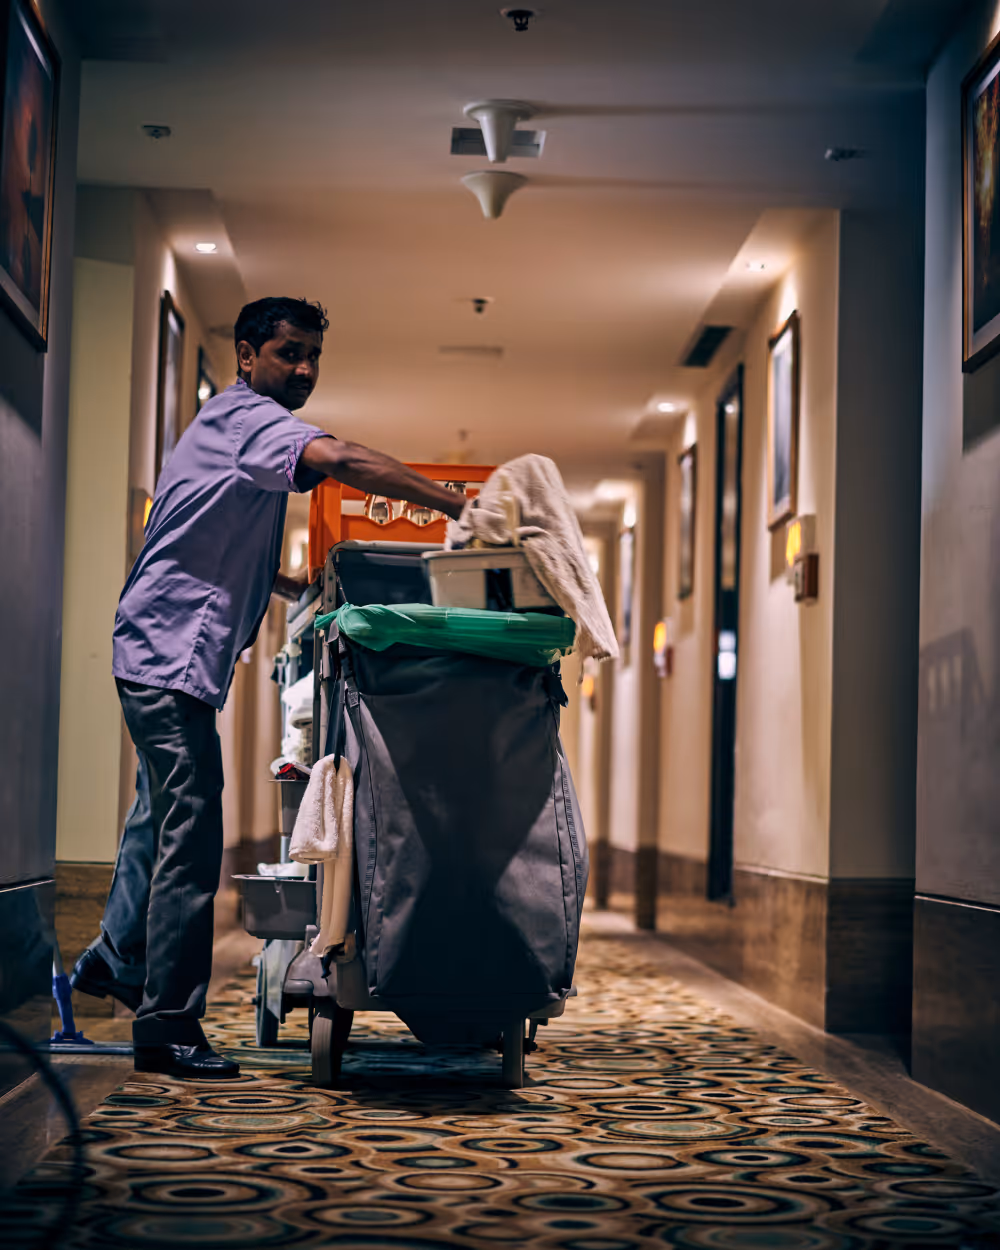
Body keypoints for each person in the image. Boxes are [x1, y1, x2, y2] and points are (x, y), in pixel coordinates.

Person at [71, 296, 465, 1080]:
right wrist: (459, 505)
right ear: (247, 356)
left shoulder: (231, 428)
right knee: (192, 825)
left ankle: (115, 960)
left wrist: (295, 588)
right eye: (290, 353)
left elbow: (210, 538)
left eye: (314, 356)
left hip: (164, 650)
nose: (306, 369)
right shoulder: (247, 417)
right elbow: (344, 461)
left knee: (158, 814)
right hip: (166, 653)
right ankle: (168, 1026)